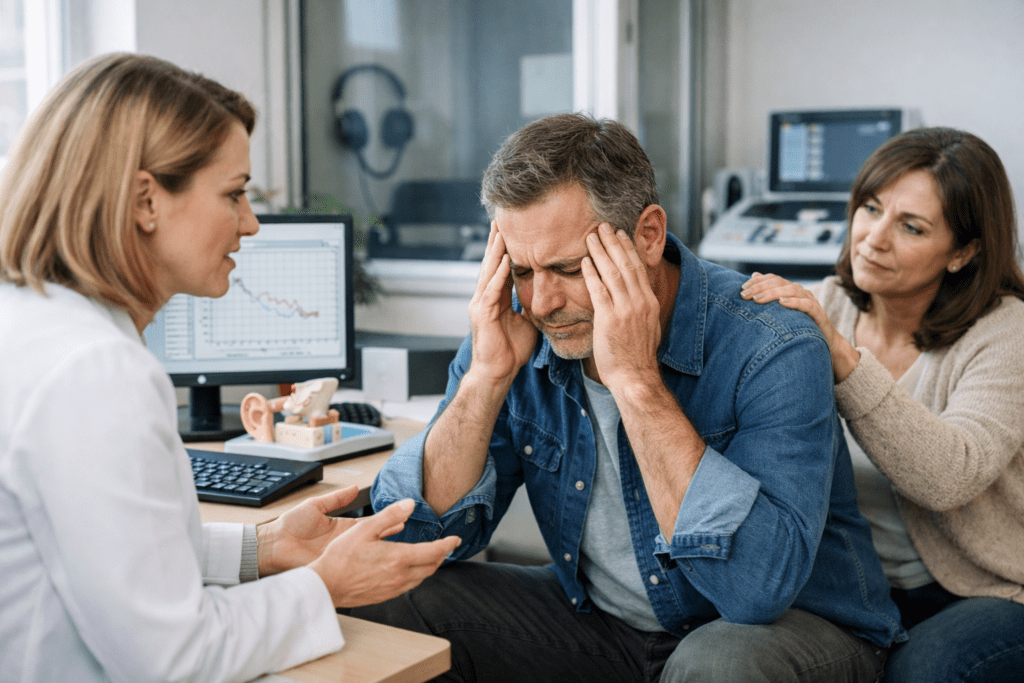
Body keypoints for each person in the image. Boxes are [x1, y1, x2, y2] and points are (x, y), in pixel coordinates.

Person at [350, 112, 904, 682]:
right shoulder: (516, 328)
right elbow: (417, 538)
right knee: (387, 597)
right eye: (520, 269)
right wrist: (486, 378)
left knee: (717, 664)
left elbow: (754, 590)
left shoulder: (773, 343)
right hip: (610, 628)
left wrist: (637, 382)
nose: (541, 302)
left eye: (567, 269)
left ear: (648, 235)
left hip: (791, 631)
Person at [0, 52, 460, 683]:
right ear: (145, 202)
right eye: (234, 193)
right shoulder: (96, 372)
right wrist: (325, 585)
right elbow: (174, 658)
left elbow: (109, 555)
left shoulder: (32, 321)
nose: (249, 224)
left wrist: (263, 548)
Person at [740, 127, 1024, 683]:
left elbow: (950, 475)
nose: (873, 238)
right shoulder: (823, 305)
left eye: (911, 227)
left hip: (978, 590)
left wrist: (844, 359)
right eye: (870, 208)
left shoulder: (1005, 332)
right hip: (849, 589)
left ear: (963, 253)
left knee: (923, 672)